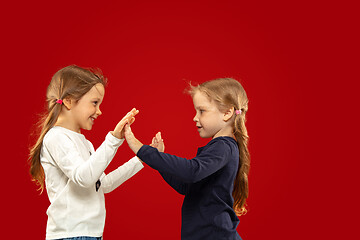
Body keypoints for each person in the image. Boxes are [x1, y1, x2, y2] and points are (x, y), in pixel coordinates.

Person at [124, 78, 250, 240]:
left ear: (227, 113)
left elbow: (191, 171)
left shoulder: (223, 147)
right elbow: (186, 185)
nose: (195, 118)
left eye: (202, 111)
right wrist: (159, 158)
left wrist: (140, 148)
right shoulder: (219, 148)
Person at [28, 65, 143, 240]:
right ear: (68, 101)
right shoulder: (56, 138)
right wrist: (112, 139)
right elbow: (84, 178)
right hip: (71, 235)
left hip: (91, 234)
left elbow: (103, 184)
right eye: (95, 103)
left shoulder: (85, 142)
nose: (99, 111)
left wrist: (142, 159)